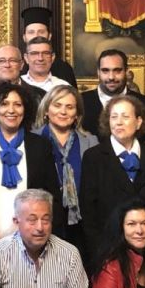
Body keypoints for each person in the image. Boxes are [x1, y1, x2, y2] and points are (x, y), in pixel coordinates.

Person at [0, 81, 61, 246]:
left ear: (25, 110)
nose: (11, 110)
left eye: (18, 104)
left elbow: (51, 194)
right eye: (4, 104)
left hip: (31, 239)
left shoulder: (40, 145)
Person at [78, 95, 145, 272]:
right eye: (114, 117)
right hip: (107, 250)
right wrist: (99, 251)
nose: (119, 122)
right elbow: (88, 209)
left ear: (138, 122)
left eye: (125, 116)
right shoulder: (94, 157)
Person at [34, 84, 99, 256]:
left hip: (82, 223)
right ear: (46, 110)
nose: (63, 111)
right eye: (57, 105)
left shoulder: (91, 142)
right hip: (44, 219)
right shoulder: (32, 139)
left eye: (69, 107)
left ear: (77, 114)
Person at [80, 49, 145, 143]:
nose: (111, 77)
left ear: (126, 71)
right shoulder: (80, 103)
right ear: (98, 72)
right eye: (105, 71)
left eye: (117, 71)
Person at [18, 5, 78, 85]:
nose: (36, 36)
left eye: (41, 32)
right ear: (24, 37)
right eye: (31, 32)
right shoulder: (17, 68)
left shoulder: (64, 69)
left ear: (49, 36)